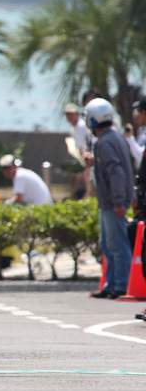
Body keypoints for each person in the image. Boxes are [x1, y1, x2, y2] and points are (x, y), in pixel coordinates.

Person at [85, 98, 134, 299]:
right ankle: (111, 284)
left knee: (116, 244)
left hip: (111, 202)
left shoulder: (104, 142)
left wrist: (117, 200)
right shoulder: (117, 136)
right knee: (108, 243)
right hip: (113, 200)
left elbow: (116, 172)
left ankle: (120, 285)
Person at [63, 102, 91, 197]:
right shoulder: (74, 127)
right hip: (87, 160)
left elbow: (82, 148)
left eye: (72, 114)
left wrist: (85, 167)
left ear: (77, 114)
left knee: (89, 190)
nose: (69, 116)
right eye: (67, 114)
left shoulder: (80, 126)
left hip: (89, 160)